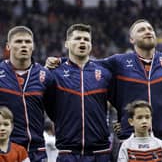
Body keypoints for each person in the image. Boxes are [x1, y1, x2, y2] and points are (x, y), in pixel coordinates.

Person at [45, 19, 162, 161]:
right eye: (141, 29)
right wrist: (62, 62)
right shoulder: (119, 62)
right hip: (130, 140)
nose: (148, 31)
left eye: (150, 29)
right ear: (131, 39)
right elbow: (87, 63)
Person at [45, 24, 113, 161]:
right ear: (67, 44)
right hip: (68, 153)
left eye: (86, 39)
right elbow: (48, 106)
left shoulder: (105, 73)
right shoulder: (54, 74)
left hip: (101, 153)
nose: (82, 42)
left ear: (91, 45)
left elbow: (118, 102)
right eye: (77, 38)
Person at [0, 26, 54, 162]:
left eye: (28, 42)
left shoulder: (45, 76)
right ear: (8, 46)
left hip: (37, 151)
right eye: (18, 41)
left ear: (33, 46)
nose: (24, 45)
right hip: (8, 151)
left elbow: (57, 112)